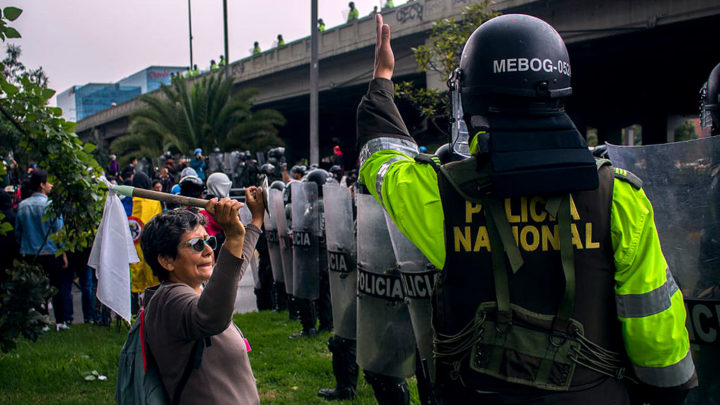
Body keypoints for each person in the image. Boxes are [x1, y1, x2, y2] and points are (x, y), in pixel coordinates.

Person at [357, 13, 696, 404]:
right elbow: (657, 331)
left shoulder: (442, 193)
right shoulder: (618, 196)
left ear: (470, 95)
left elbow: (381, 158)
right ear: (559, 89)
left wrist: (382, 79)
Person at [142, 188, 265, 404]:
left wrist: (255, 220)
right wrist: (234, 236)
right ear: (166, 260)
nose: (208, 250)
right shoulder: (168, 301)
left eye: (208, 241)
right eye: (197, 245)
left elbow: (232, 271)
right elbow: (211, 318)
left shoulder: (194, 287)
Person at [14, 169, 72, 330]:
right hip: (51, 252)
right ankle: (60, 321)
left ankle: (42, 319)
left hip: (31, 253)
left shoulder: (23, 206)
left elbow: (18, 232)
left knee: (37, 288)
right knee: (57, 288)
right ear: (41, 185)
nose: (50, 185)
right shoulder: (50, 206)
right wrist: (63, 252)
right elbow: (59, 231)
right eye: (47, 182)